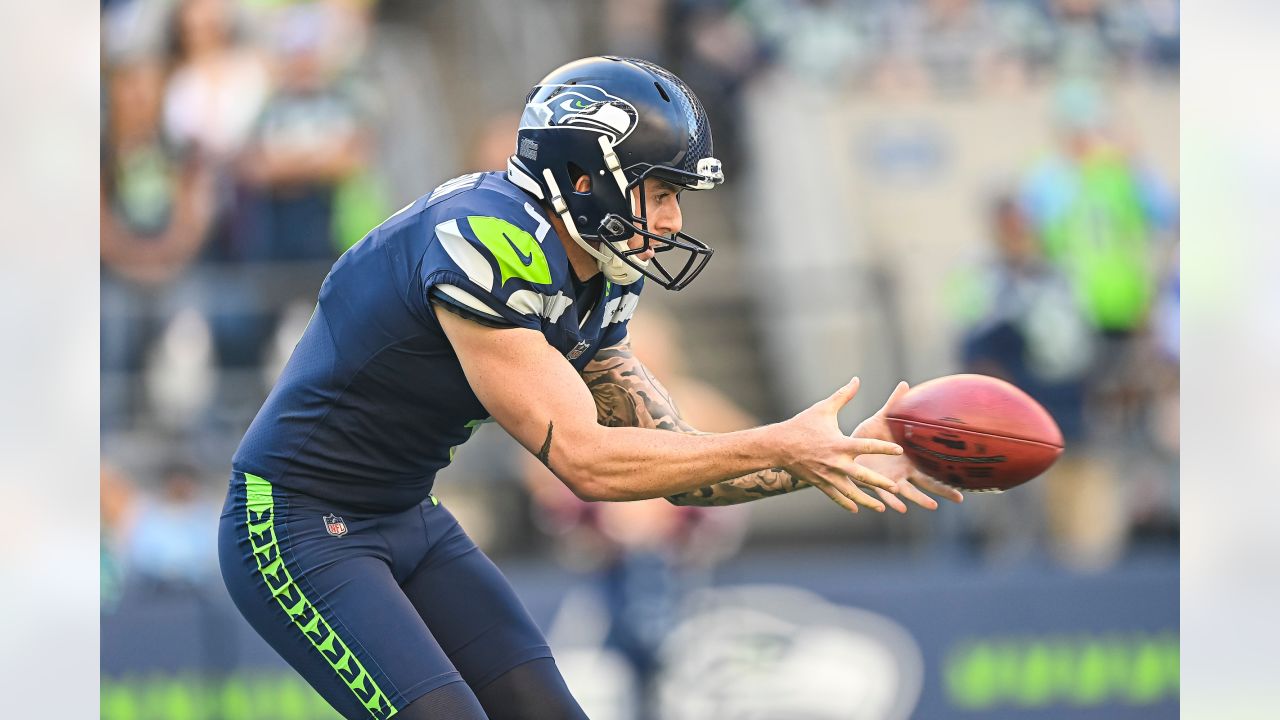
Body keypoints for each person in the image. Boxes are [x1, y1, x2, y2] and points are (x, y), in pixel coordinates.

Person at [218, 56, 961, 720]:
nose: (672, 219)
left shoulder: (596, 271)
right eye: (659, 192)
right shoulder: (487, 240)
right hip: (293, 523)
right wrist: (781, 443)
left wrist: (835, 454)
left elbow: (675, 465)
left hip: (407, 514)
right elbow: (589, 461)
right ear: (584, 178)